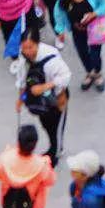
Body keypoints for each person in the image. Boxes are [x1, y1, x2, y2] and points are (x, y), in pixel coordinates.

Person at [14, 31, 71, 164]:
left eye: (30, 47)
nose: (27, 51)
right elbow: (22, 80)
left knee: (56, 129)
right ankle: (52, 147)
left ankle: (56, 152)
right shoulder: (23, 58)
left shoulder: (51, 58)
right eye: (24, 47)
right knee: (46, 125)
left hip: (56, 99)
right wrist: (20, 99)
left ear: (37, 44)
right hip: (40, 102)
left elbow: (66, 76)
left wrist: (45, 87)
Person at [54, 0, 105, 92]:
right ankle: (90, 72)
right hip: (77, 30)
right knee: (83, 53)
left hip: (96, 28)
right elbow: (59, 11)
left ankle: (98, 73)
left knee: (95, 54)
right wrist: (60, 29)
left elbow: (104, 4)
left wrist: (94, 14)